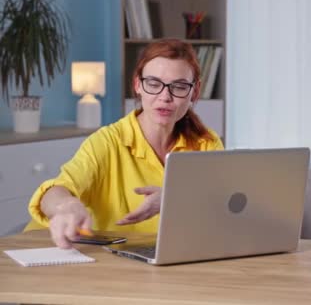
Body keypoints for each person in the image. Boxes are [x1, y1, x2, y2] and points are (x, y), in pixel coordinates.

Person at [25, 39, 224, 248]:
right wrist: (67, 206)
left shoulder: (206, 144)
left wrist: (175, 198)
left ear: (195, 91)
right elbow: (54, 192)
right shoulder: (108, 141)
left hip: (165, 260)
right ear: (138, 84)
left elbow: (222, 205)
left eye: (179, 86)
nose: (165, 96)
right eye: (154, 84)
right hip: (87, 259)